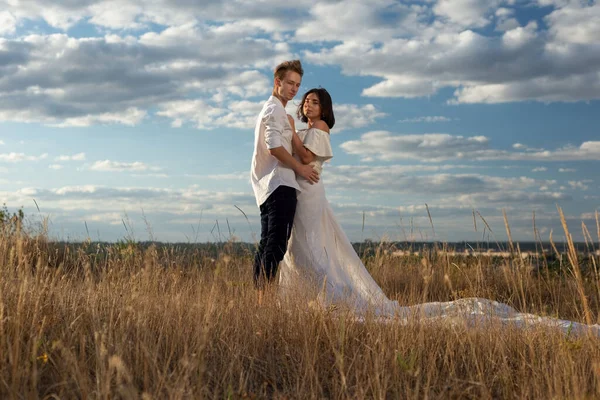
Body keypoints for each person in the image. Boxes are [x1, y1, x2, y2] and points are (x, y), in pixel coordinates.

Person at [279, 88, 600, 336]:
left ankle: (327, 297)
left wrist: (291, 131)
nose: (309, 105)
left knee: (311, 244)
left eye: (315, 102)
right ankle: (304, 299)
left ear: (324, 109)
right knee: (301, 246)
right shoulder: (307, 125)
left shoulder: (319, 126)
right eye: (307, 101)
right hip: (300, 189)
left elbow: (307, 158)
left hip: (310, 192)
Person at [250, 60, 319, 304]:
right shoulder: (275, 109)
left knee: (268, 244)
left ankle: (260, 302)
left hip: (268, 186)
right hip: (279, 184)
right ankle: (264, 302)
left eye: (297, 85)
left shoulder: (274, 109)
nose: (294, 89)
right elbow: (274, 147)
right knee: (276, 245)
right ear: (277, 82)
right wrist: (300, 167)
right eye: (290, 83)